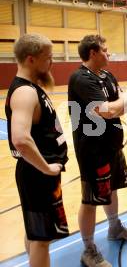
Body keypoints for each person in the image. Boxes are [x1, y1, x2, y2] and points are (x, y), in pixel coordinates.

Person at [68, 35, 127, 267]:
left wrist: (118, 104)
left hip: (112, 144)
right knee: (90, 199)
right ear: (92, 53)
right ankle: (88, 249)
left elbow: (118, 106)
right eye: (105, 51)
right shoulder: (80, 78)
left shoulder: (107, 75)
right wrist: (123, 101)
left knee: (113, 188)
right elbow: (108, 110)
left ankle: (114, 227)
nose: (109, 54)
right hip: (92, 149)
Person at [5, 34, 69, 267]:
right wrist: (47, 168)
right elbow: (20, 139)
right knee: (42, 239)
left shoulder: (32, 88)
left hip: (39, 175)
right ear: (31, 59)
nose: (51, 63)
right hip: (38, 176)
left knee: (36, 234)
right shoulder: (25, 92)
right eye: (48, 58)